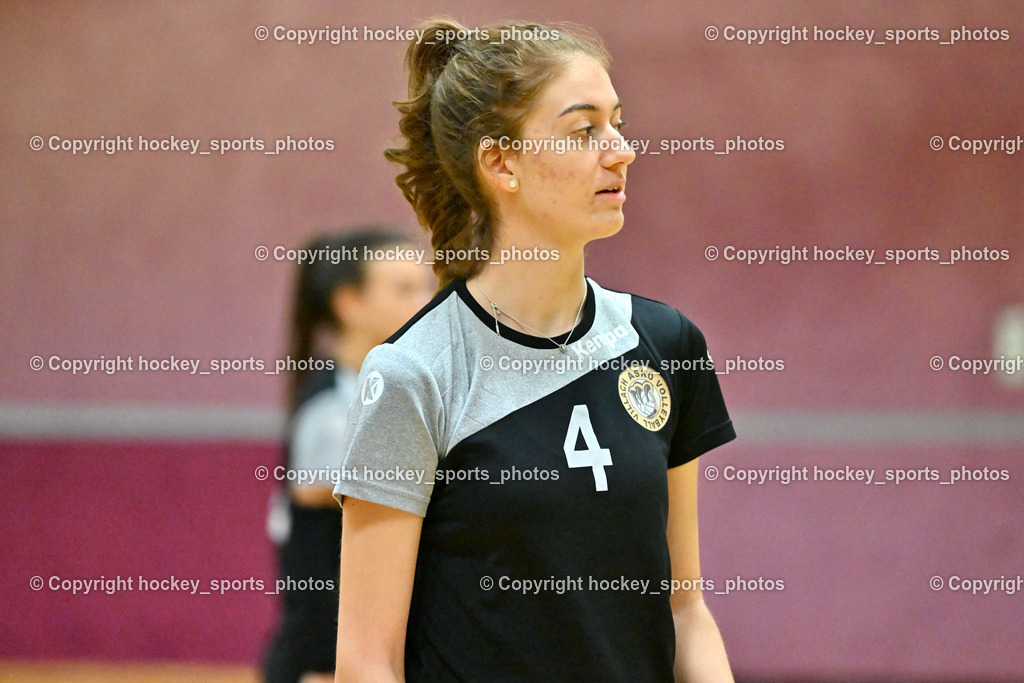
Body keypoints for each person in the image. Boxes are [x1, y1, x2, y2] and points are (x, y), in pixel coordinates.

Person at [333, 19, 737, 682]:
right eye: (584, 131)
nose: (621, 150)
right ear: (500, 163)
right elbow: (367, 663)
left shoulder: (666, 344)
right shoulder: (415, 373)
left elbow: (684, 607)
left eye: (618, 122)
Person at [262, 228, 433, 683]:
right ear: (348, 304)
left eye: (426, 286)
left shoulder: (393, 394)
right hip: (321, 666)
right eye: (403, 289)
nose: (425, 302)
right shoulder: (330, 413)